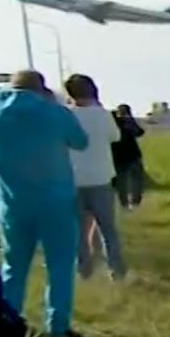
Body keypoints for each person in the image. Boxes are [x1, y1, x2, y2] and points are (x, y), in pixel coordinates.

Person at [0, 70, 89, 337]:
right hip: (56, 202)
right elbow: (81, 142)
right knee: (60, 266)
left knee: (13, 267)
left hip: (13, 202)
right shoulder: (54, 113)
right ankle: (58, 326)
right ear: (41, 89)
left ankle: (7, 321)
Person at [62, 74, 127, 282]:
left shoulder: (65, 115)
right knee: (108, 229)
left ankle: (83, 270)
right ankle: (116, 270)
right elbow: (115, 137)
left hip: (73, 179)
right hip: (101, 178)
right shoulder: (103, 115)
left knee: (78, 231)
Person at [110, 103, 146, 210]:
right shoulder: (113, 121)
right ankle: (126, 204)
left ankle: (134, 202)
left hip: (132, 154)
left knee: (136, 179)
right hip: (121, 156)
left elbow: (139, 132)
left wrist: (130, 121)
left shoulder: (128, 122)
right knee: (123, 181)